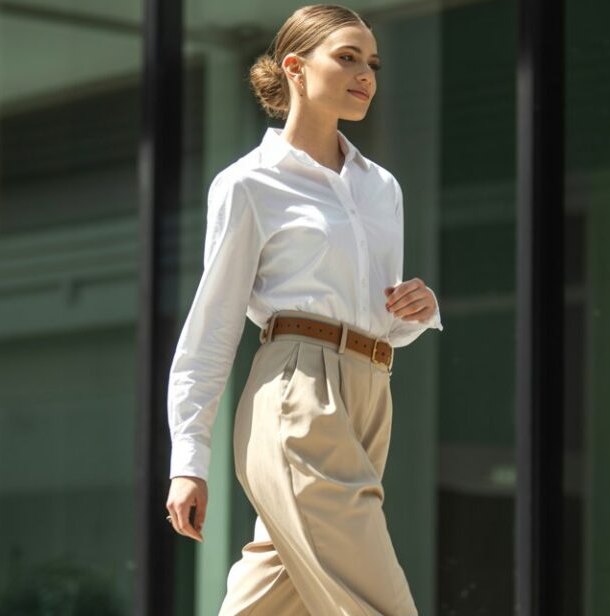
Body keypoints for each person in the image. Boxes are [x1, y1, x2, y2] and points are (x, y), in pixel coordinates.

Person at [165, 4, 443, 614]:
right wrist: (189, 460)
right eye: (346, 57)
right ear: (294, 67)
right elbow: (212, 326)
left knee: (274, 592)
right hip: (297, 393)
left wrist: (417, 310)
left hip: (372, 392)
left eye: (372, 62)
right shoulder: (250, 184)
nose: (365, 73)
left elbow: (382, 319)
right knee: (377, 599)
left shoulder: (381, 186)